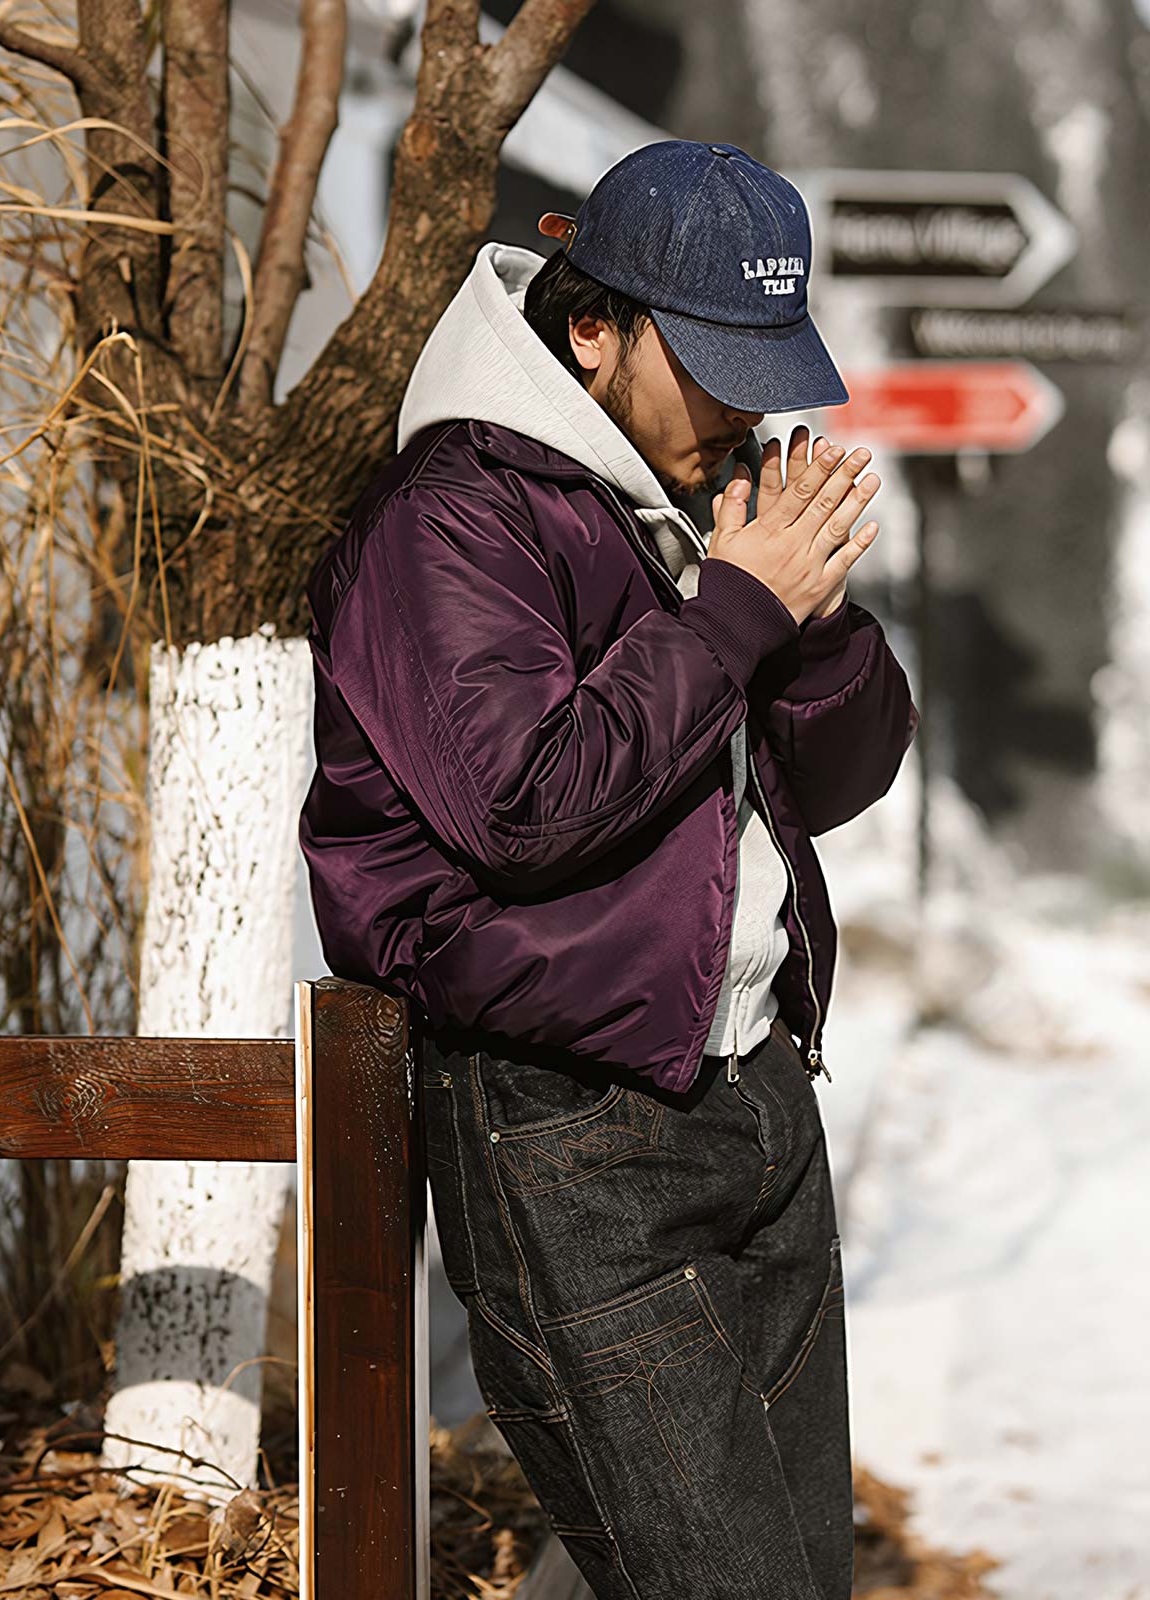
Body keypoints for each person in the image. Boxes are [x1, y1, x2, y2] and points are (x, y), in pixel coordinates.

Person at [300, 139, 919, 1600]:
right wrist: (736, 611)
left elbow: (836, 784)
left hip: (758, 1093)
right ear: (593, 331)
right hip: (568, 1119)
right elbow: (526, 804)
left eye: (767, 367)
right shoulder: (453, 515)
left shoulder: (698, 496)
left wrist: (813, 624)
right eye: (712, 366)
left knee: (788, 1580)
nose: (747, 406)